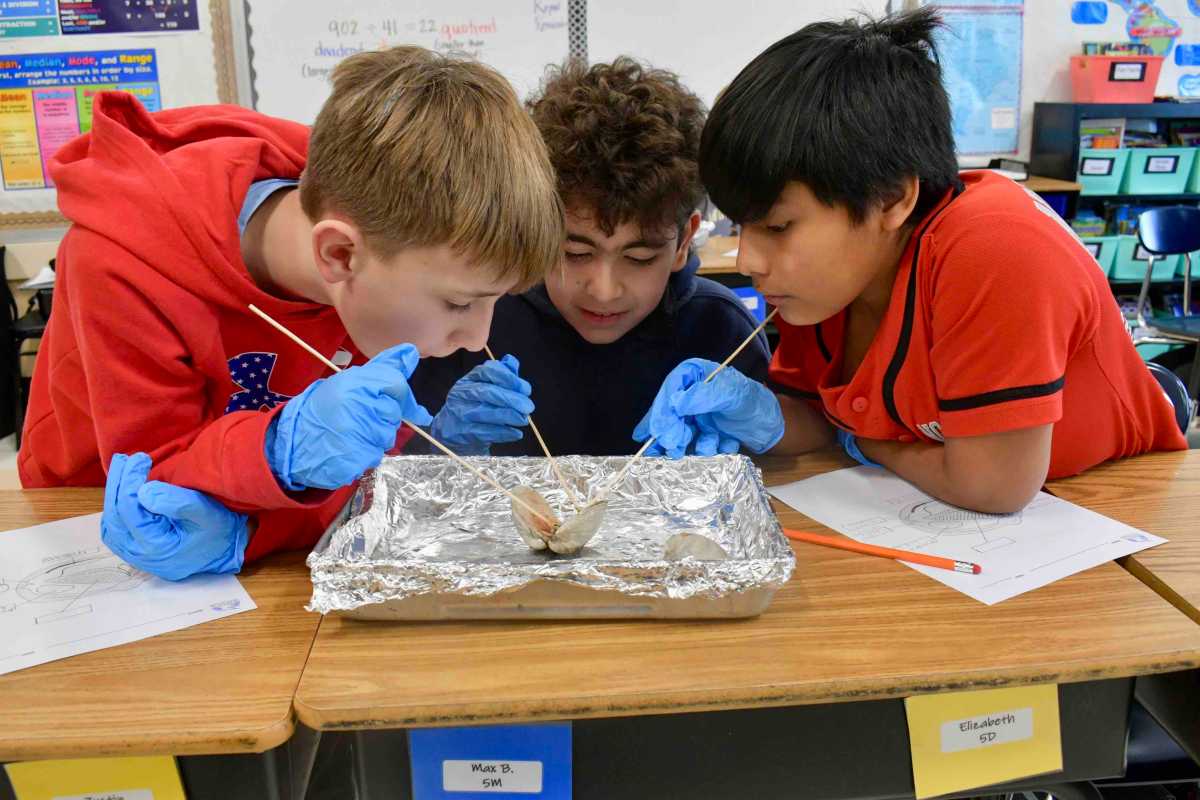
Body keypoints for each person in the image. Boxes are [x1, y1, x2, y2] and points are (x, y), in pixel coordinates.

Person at [24, 46, 563, 579]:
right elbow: (154, 491)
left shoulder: (383, 243)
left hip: (270, 539)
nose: (477, 337)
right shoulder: (120, 263)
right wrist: (275, 451)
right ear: (339, 254)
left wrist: (426, 449)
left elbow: (342, 475)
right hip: (94, 536)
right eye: (460, 303)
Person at [637, 9, 1187, 513]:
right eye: (741, 225)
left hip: (1117, 502)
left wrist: (868, 442)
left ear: (891, 199)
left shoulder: (992, 248)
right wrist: (756, 414)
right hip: (965, 508)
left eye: (778, 227)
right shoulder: (831, 283)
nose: (749, 259)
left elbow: (994, 487)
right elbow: (820, 418)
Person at [411, 57, 770, 457]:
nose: (603, 291)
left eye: (639, 257)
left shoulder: (720, 328)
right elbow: (394, 463)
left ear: (684, 241)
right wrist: (441, 442)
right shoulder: (477, 320)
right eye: (576, 252)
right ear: (539, 228)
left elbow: (773, 462)